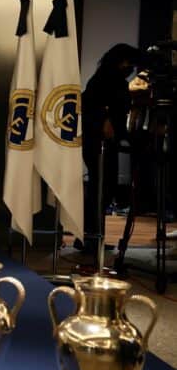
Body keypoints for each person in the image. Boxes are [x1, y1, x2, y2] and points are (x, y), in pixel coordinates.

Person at [78, 42, 141, 251]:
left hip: (105, 141)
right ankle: (91, 237)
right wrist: (104, 119)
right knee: (101, 188)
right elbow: (91, 105)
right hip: (98, 141)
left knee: (103, 188)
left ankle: (93, 236)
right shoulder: (105, 80)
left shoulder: (111, 79)